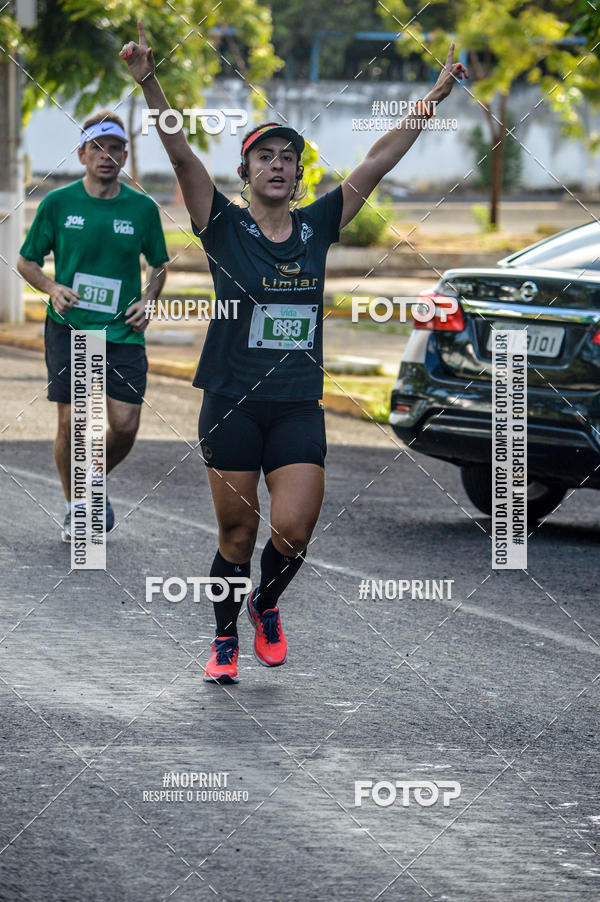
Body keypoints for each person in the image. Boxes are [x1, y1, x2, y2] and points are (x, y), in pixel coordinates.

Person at [121, 21, 468, 683]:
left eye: (288, 157)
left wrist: (436, 93)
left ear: (298, 173)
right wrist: (148, 80)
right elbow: (181, 155)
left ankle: (266, 603)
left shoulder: (318, 226)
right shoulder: (221, 224)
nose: (277, 165)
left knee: (294, 532)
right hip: (230, 402)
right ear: (245, 171)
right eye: (265, 156)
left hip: (295, 407)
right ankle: (224, 640)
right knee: (236, 538)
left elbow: (381, 157)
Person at [17, 110, 170, 542]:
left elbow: (159, 265)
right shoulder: (58, 203)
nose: (107, 156)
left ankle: (92, 482)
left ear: (125, 155)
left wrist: (148, 299)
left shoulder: (141, 208)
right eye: (97, 148)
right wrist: (51, 287)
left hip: (122, 331)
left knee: (124, 425)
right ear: (82, 154)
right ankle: (75, 506)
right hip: (70, 327)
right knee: (71, 423)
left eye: (115, 148)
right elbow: (27, 261)